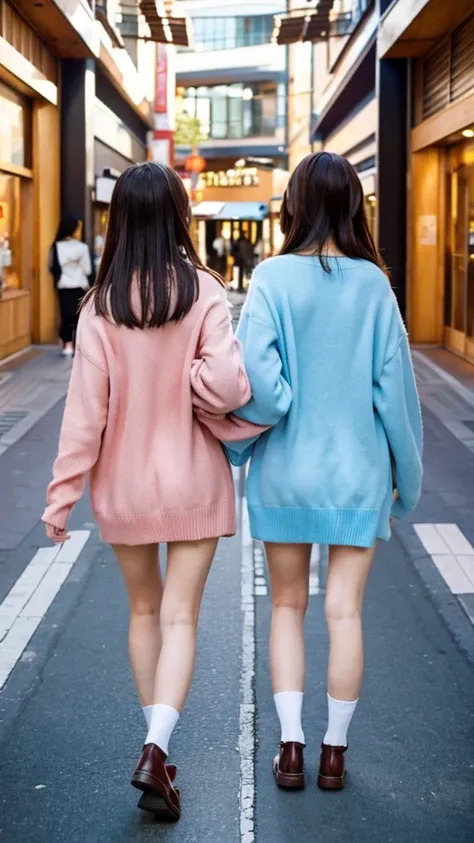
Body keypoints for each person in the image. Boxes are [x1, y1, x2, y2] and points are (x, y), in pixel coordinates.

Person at [42, 162, 259, 821]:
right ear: (178, 216)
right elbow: (231, 386)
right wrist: (194, 370)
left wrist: (60, 496)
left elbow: (86, 417)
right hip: (194, 476)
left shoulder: (100, 307)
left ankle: (155, 750)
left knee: (143, 612)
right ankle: (157, 743)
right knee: (181, 617)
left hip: (125, 485)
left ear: (118, 222)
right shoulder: (204, 290)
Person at [225, 152, 423, 791]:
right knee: (344, 611)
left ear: (296, 204)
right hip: (358, 471)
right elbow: (396, 394)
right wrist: (406, 479)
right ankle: (335, 752)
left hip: (285, 471)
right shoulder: (374, 285)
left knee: (286, 606)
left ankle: (289, 746)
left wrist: (240, 439)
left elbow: (262, 391)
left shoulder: (273, 280)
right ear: (354, 206)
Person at [49, 213, 93, 356]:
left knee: (65, 315)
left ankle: (67, 345)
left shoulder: (56, 246)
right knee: (79, 317)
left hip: (63, 286)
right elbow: (87, 269)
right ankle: (79, 346)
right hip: (79, 286)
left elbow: (52, 268)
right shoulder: (82, 248)